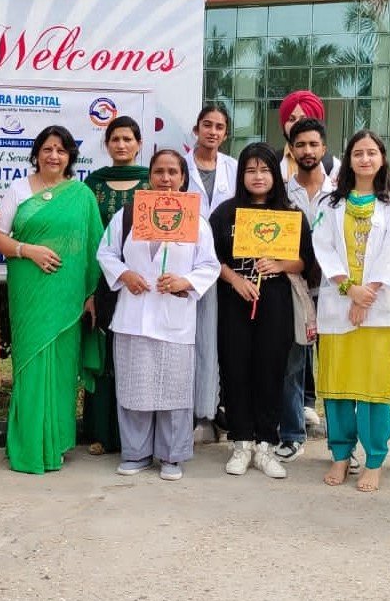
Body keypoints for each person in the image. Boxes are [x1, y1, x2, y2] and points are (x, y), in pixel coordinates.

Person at [96, 149, 218, 481]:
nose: (165, 179)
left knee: (174, 391)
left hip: (174, 318)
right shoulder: (128, 215)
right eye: (159, 172)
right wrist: (124, 274)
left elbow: (209, 265)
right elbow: (106, 252)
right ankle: (135, 453)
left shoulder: (195, 222)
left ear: (183, 178)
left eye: (172, 172)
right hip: (133, 316)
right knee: (135, 388)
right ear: (149, 176)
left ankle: (171, 455)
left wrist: (184, 281)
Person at [0, 125, 104, 474]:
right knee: (30, 363)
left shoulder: (82, 195)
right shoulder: (18, 189)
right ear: (36, 154)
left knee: (62, 368)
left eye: (61, 150)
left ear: (70, 156)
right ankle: (28, 445)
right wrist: (28, 250)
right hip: (29, 291)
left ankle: (54, 443)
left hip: (68, 297)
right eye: (47, 149)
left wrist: (91, 294)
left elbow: (94, 247)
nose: (54, 156)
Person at [312, 129, 390, 492]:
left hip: (377, 310)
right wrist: (349, 290)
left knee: (374, 390)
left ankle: (374, 460)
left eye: (372, 152)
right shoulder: (328, 204)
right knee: (338, 389)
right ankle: (341, 455)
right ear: (349, 159)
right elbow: (323, 248)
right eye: (358, 153)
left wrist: (365, 295)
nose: (365, 158)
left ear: (382, 158)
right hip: (337, 305)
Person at [210, 143, 315, 479]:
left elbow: (306, 261)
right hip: (235, 301)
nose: (258, 177)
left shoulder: (290, 214)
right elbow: (210, 258)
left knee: (271, 370)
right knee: (235, 368)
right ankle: (241, 443)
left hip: (275, 303)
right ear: (241, 174)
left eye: (265, 170)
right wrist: (234, 279)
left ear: (275, 174)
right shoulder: (225, 213)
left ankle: (266, 445)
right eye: (251, 170)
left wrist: (280, 264)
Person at [81, 115, 150, 456]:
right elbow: (87, 239)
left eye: (128, 139)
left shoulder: (151, 182)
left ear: (139, 144)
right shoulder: (92, 184)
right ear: (106, 144)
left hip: (145, 283)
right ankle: (100, 432)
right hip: (104, 280)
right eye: (115, 139)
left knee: (137, 356)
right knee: (105, 355)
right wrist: (91, 290)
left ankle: (134, 436)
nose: (121, 145)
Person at [278, 117, 338, 462]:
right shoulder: (282, 194)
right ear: (291, 150)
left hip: (333, 291)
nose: (307, 151)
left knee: (334, 368)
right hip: (294, 290)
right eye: (300, 145)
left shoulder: (340, 194)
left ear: (324, 148)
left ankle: (341, 443)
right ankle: (291, 434)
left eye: (314, 144)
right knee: (292, 365)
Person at [183, 104, 237, 427]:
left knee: (220, 338)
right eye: (207, 125)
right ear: (196, 129)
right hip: (188, 264)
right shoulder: (181, 166)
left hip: (227, 264)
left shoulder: (233, 167)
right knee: (193, 337)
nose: (212, 132)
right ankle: (188, 408)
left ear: (225, 134)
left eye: (219, 127)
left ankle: (214, 406)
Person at [277, 90, 338, 181]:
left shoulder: (333, 166)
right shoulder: (271, 162)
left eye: (303, 119)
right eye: (291, 119)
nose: (297, 124)